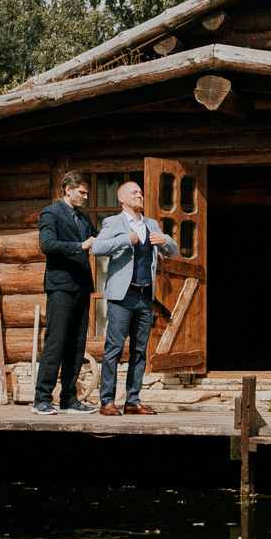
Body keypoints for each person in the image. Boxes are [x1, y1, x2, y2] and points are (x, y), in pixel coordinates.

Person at [90, 178, 178, 416]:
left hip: (145, 295)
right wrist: (124, 240)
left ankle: (132, 400)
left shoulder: (151, 224)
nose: (139, 195)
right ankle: (107, 401)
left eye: (140, 192)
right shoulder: (113, 222)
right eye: (134, 193)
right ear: (122, 198)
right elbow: (97, 248)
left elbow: (174, 251)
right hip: (122, 295)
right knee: (114, 348)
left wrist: (166, 240)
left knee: (140, 350)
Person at [32, 170, 101, 413]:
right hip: (61, 286)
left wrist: (122, 238)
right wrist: (79, 246)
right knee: (56, 341)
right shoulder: (51, 212)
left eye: (87, 193)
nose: (85, 197)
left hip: (82, 287)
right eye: (81, 192)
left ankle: (69, 399)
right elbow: (47, 244)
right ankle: (41, 398)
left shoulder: (82, 219)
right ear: (68, 190)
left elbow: (98, 239)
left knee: (76, 345)